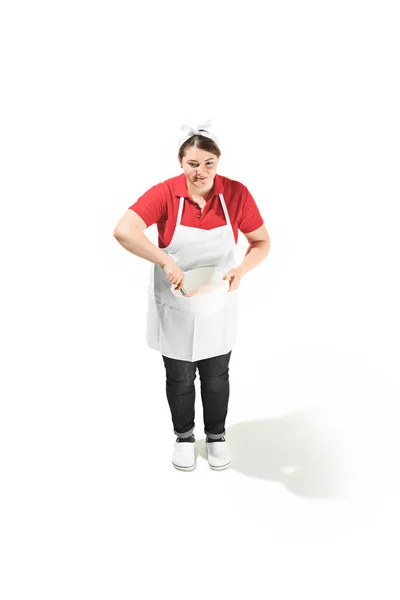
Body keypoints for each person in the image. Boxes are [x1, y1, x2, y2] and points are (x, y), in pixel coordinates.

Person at [113, 120, 270, 472]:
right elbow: (124, 230)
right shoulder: (166, 193)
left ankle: (216, 436)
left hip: (217, 302)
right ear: (181, 163)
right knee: (180, 376)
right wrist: (164, 259)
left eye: (208, 164)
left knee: (216, 375)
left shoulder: (236, 194)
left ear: (218, 160)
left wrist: (241, 270)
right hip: (177, 303)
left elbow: (261, 242)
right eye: (192, 164)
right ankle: (184, 437)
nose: (201, 172)